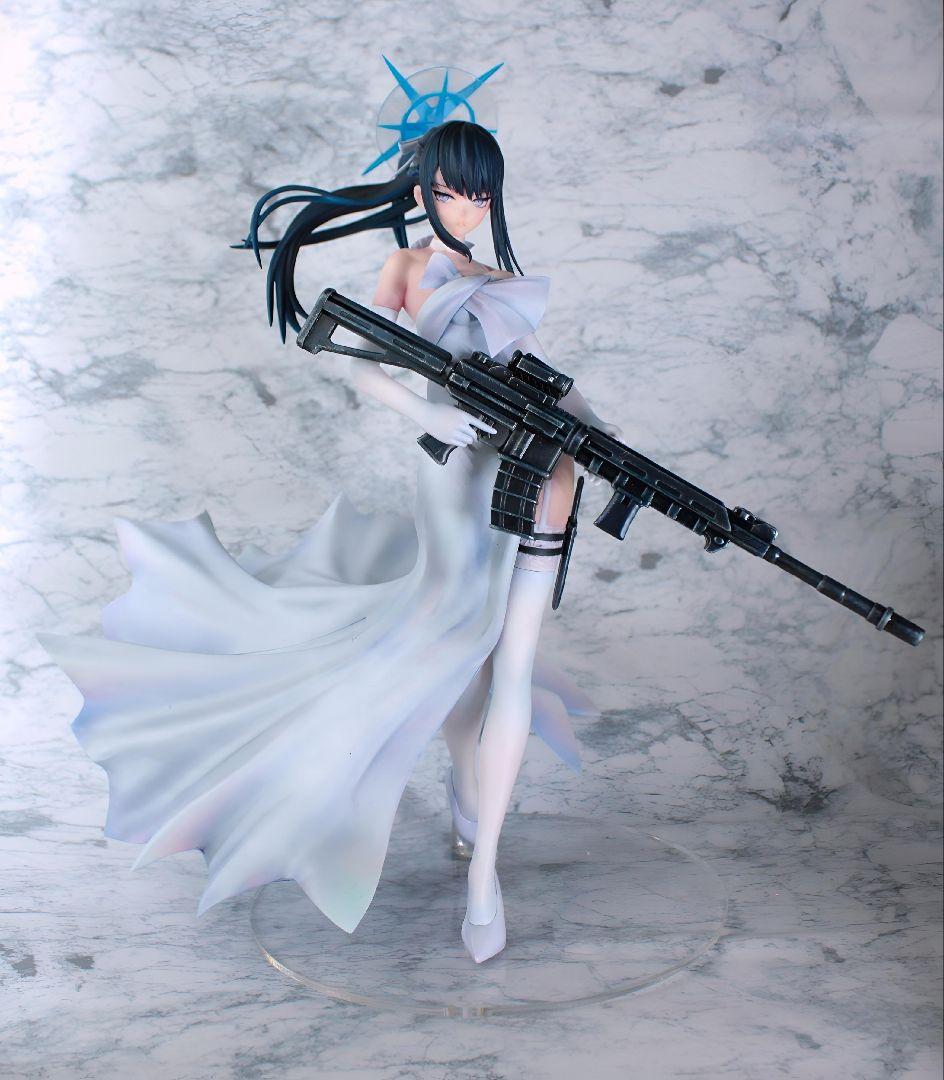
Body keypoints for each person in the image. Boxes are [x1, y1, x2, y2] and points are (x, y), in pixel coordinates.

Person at [37, 119, 620, 965]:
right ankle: (457, 791)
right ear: (422, 191)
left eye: (480, 195)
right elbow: (358, 361)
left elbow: (546, 385)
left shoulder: (504, 284)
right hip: (452, 470)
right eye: (450, 192)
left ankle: (485, 868)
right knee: (456, 637)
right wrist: (426, 413)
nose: (466, 209)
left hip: (538, 475)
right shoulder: (409, 268)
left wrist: (605, 441)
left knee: (511, 662)